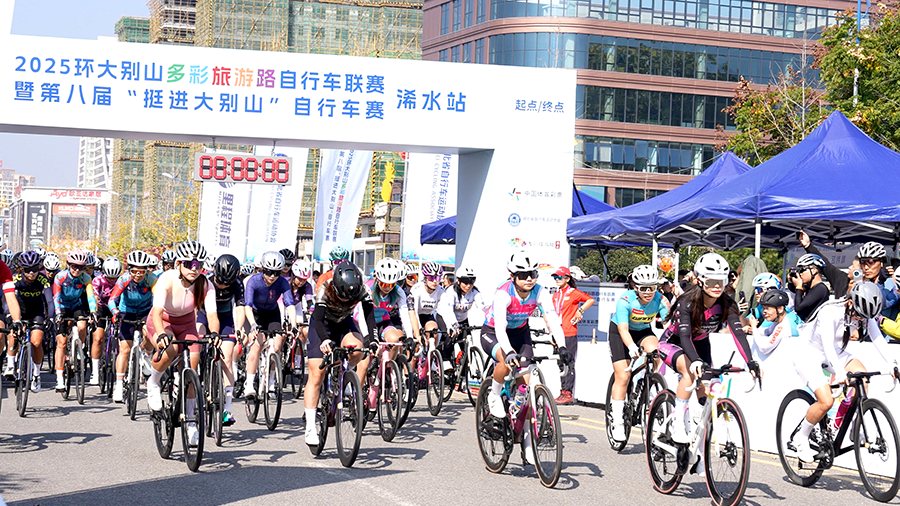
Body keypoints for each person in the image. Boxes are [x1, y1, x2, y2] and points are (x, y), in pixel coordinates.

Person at [658, 253, 760, 445]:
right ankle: (678, 425)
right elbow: (685, 337)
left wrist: (751, 362)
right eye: (712, 281)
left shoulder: (727, 303)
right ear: (699, 280)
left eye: (721, 281)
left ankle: (697, 448)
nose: (717, 286)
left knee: (707, 394)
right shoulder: (687, 302)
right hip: (674, 343)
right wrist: (695, 361)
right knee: (689, 372)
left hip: (701, 345)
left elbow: (739, 335)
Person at [789, 282, 898, 462]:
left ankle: (854, 425)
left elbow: (878, 338)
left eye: (864, 318)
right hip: (808, 353)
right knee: (826, 401)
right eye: (858, 316)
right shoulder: (830, 311)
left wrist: (892, 362)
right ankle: (801, 438)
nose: (860, 321)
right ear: (850, 302)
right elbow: (827, 345)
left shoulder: (864, 313)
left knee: (862, 377)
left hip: (834, 351)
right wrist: (840, 373)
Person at [481, 251, 568, 464]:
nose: (529, 278)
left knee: (526, 388)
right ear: (513, 276)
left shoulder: (540, 292)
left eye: (533, 274)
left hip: (520, 333)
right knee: (505, 361)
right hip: (494, 333)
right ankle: (494, 395)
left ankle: (528, 443)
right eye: (523, 275)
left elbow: (553, 319)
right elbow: (500, 328)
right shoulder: (503, 293)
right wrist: (509, 351)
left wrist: (562, 346)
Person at [146, 241, 213, 447]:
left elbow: (212, 315)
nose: (194, 268)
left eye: (198, 264)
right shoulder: (166, 279)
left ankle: (191, 421)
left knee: (192, 366)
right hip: (163, 321)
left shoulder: (204, 284)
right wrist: (160, 334)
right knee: (171, 348)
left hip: (187, 324)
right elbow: (157, 313)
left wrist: (215, 333)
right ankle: (153, 382)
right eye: (189, 264)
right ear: (178, 264)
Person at [303, 262, 376, 446]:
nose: (346, 301)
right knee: (317, 374)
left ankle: (345, 376)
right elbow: (318, 320)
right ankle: (310, 427)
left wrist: (373, 339)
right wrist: (325, 340)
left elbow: (369, 317)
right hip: (322, 325)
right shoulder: (325, 289)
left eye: (350, 299)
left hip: (344, 323)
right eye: (342, 297)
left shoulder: (362, 290)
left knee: (357, 349)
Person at [607, 264, 669, 440]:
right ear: (635, 287)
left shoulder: (661, 300)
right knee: (623, 376)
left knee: (657, 353)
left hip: (643, 331)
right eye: (644, 288)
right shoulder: (626, 300)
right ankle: (617, 421)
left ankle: (646, 381)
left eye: (652, 288)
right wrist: (631, 346)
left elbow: (669, 326)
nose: (648, 292)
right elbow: (623, 329)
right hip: (620, 332)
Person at [198, 254, 245, 425]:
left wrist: (239, 329)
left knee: (226, 360)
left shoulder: (238, 283)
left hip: (224, 319)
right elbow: (195, 308)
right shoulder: (205, 282)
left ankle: (227, 409)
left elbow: (240, 308)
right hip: (204, 315)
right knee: (197, 344)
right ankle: (195, 380)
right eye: (220, 282)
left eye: (227, 283)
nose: (223, 286)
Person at [242, 251, 297, 399]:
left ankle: (271, 382)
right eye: (269, 272)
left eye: (277, 273)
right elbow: (247, 306)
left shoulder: (282, 282)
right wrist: (253, 325)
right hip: (256, 314)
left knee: (277, 347)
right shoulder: (253, 281)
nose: (272, 276)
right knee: (257, 345)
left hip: (272, 313)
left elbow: (290, 304)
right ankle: (249, 384)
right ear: (263, 269)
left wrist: (294, 325)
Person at [108, 250, 158, 403]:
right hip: (127, 311)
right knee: (125, 349)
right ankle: (119, 385)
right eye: (134, 271)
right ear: (129, 269)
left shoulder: (151, 279)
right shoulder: (124, 279)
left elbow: (158, 299)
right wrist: (115, 312)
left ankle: (147, 354)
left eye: (141, 272)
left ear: (146, 270)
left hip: (145, 311)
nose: (137, 275)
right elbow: (112, 300)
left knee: (149, 333)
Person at [52, 250, 97, 392]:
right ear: (68, 265)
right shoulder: (60, 277)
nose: (77, 270)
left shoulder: (85, 278)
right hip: (62, 306)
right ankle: (60, 379)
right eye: (74, 266)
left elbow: (90, 296)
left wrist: (93, 311)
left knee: (82, 325)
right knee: (61, 343)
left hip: (76, 306)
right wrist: (58, 313)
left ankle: (79, 348)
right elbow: (56, 297)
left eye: (81, 267)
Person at [551, 266, 594, 406]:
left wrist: (580, 310)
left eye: (559, 277)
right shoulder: (555, 295)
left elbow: (590, 300)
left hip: (569, 332)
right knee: (560, 363)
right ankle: (563, 391)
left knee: (568, 362)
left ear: (567, 278)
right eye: (555, 277)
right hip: (557, 332)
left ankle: (567, 393)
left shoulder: (573, 293)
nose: (557, 280)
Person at [360, 257, 413, 361]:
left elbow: (404, 314)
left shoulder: (399, 291)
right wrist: (367, 336)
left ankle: (388, 367)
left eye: (392, 285)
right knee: (365, 361)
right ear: (377, 279)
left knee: (394, 340)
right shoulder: (367, 289)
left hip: (382, 320)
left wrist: (410, 336)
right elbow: (361, 315)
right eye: (383, 284)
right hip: (364, 322)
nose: (387, 288)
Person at [11, 251, 49, 392]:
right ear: (22, 269)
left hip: (36, 312)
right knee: (13, 334)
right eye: (27, 270)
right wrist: (10, 315)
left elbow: (50, 300)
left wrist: (51, 317)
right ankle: (11, 365)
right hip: (19, 311)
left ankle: (36, 375)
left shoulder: (43, 279)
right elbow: (8, 300)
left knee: (37, 343)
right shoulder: (15, 280)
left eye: (34, 269)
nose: (31, 273)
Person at [88, 258, 121, 386]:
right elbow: (95, 297)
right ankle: (95, 372)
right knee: (98, 339)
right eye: (109, 278)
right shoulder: (98, 280)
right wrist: (94, 312)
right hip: (101, 307)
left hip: (117, 308)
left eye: (114, 278)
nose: (112, 280)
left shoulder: (122, 280)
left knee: (121, 338)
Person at [408, 261, 446, 355]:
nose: (435, 281)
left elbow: (446, 310)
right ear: (425, 278)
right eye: (431, 278)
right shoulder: (417, 289)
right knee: (416, 346)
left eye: (437, 278)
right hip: (414, 316)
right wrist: (419, 330)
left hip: (427, 316)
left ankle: (432, 357)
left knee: (434, 332)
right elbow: (414, 312)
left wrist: (451, 325)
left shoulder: (441, 291)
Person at [855, 241, 899, 319]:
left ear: (882, 262)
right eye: (863, 262)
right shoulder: (865, 282)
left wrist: (880, 283)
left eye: (870, 262)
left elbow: (884, 303)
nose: (866, 267)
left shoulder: (888, 282)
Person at [750, 290, 797, 356]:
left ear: (780, 309)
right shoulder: (785, 316)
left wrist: (754, 329)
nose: (764, 312)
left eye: (768, 309)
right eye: (763, 308)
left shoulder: (784, 325)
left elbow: (764, 348)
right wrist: (752, 329)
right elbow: (768, 331)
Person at [789, 254, 830, 322]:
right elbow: (794, 291)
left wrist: (799, 287)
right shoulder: (810, 287)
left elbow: (799, 308)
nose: (800, 274)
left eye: (802, 270)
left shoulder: (820, 289)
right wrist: (791, 281)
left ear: (813, 271)